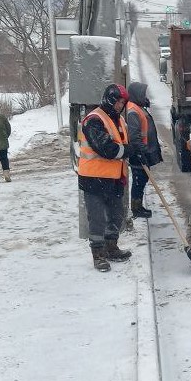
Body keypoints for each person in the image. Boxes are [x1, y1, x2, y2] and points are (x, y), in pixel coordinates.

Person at [77, 83, 140, 272]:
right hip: (94, 178)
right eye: (118, 102)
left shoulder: (118, 120)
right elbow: (107, 149)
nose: (121, 105)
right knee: (97, 219)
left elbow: (123, 144)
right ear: (109, 99)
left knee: (116, 214)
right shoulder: (93, 120)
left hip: (114, 178)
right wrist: (130, 150)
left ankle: (111, 247)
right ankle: (98, 255)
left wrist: (136, 152)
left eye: (123, 102)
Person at [126, 82, 164, 218]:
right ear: (136, 94)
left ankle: (139, 206)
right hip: (138, 153)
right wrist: (141, 153)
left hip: (142, 151)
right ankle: (136, 208)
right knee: (139, 181)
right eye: (143, 94)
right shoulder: (133, 111)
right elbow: (134, 136)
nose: (145, 96)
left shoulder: (138, 107)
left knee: (142, 180)